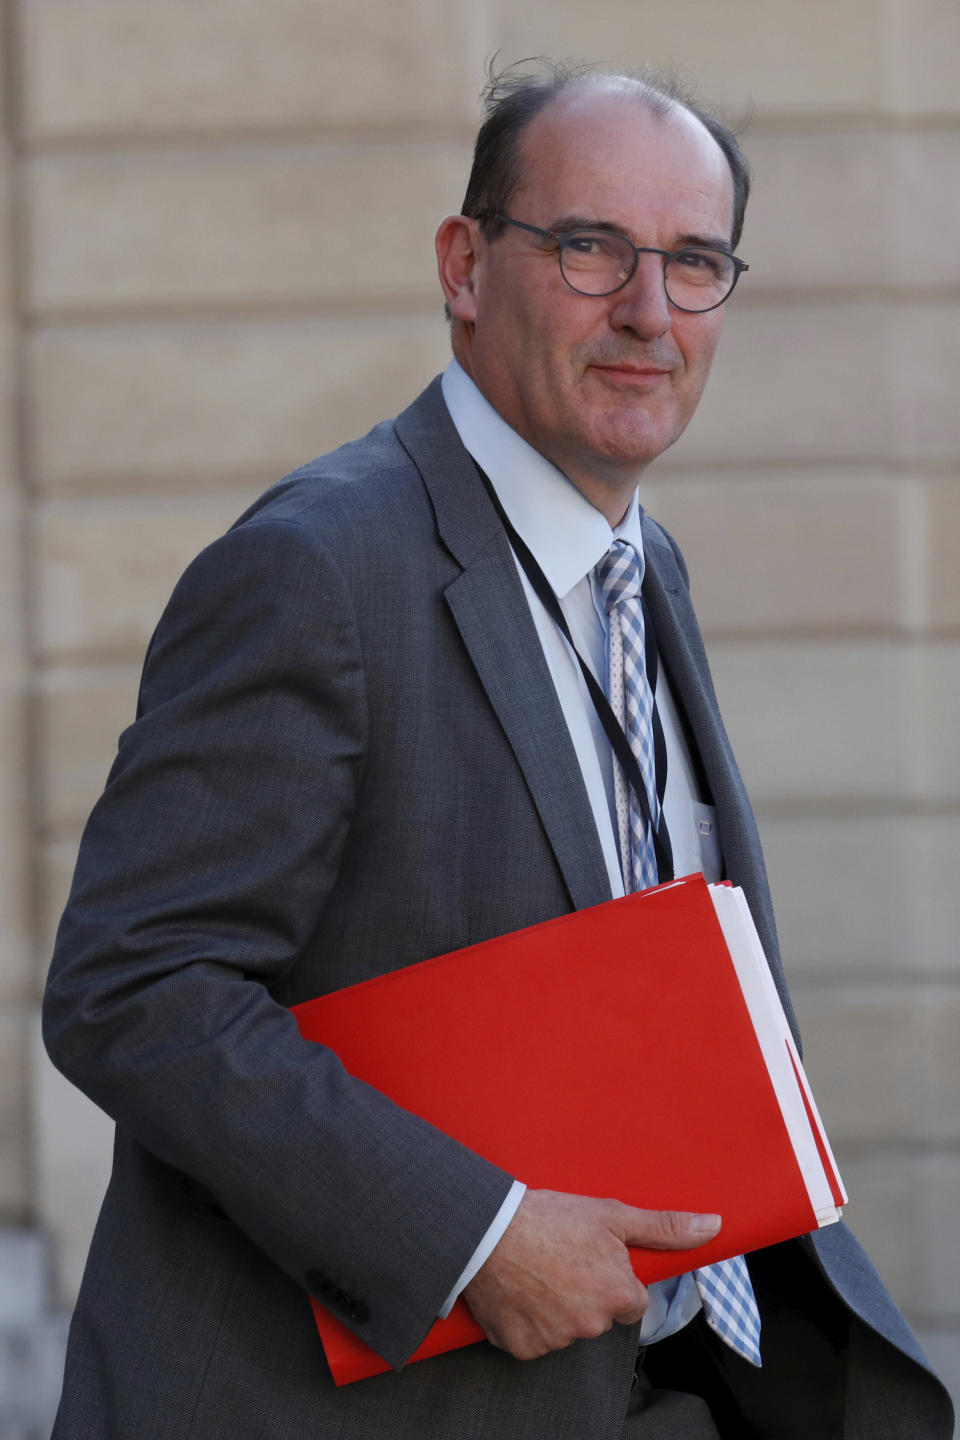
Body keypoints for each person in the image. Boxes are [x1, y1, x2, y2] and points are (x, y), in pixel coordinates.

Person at [42, 61, 953, 1440]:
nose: (648, 310)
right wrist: (476, 1240)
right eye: (590, 246)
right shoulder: (318, 568)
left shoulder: (647, 573)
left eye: (694, 261)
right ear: (466, 267)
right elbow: (134, 985)